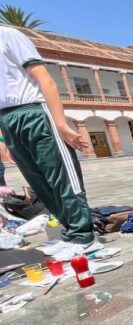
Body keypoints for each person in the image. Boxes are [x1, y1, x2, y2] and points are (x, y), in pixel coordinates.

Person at [0, 26, 100, 257]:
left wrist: (61, 124)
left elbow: (47, 81)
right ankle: (70, 231)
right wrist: (5, 139)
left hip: (34, 112)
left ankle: (85, 235)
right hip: (8, 119)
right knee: (38, 181)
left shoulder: (8, 36)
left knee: (60, 176)